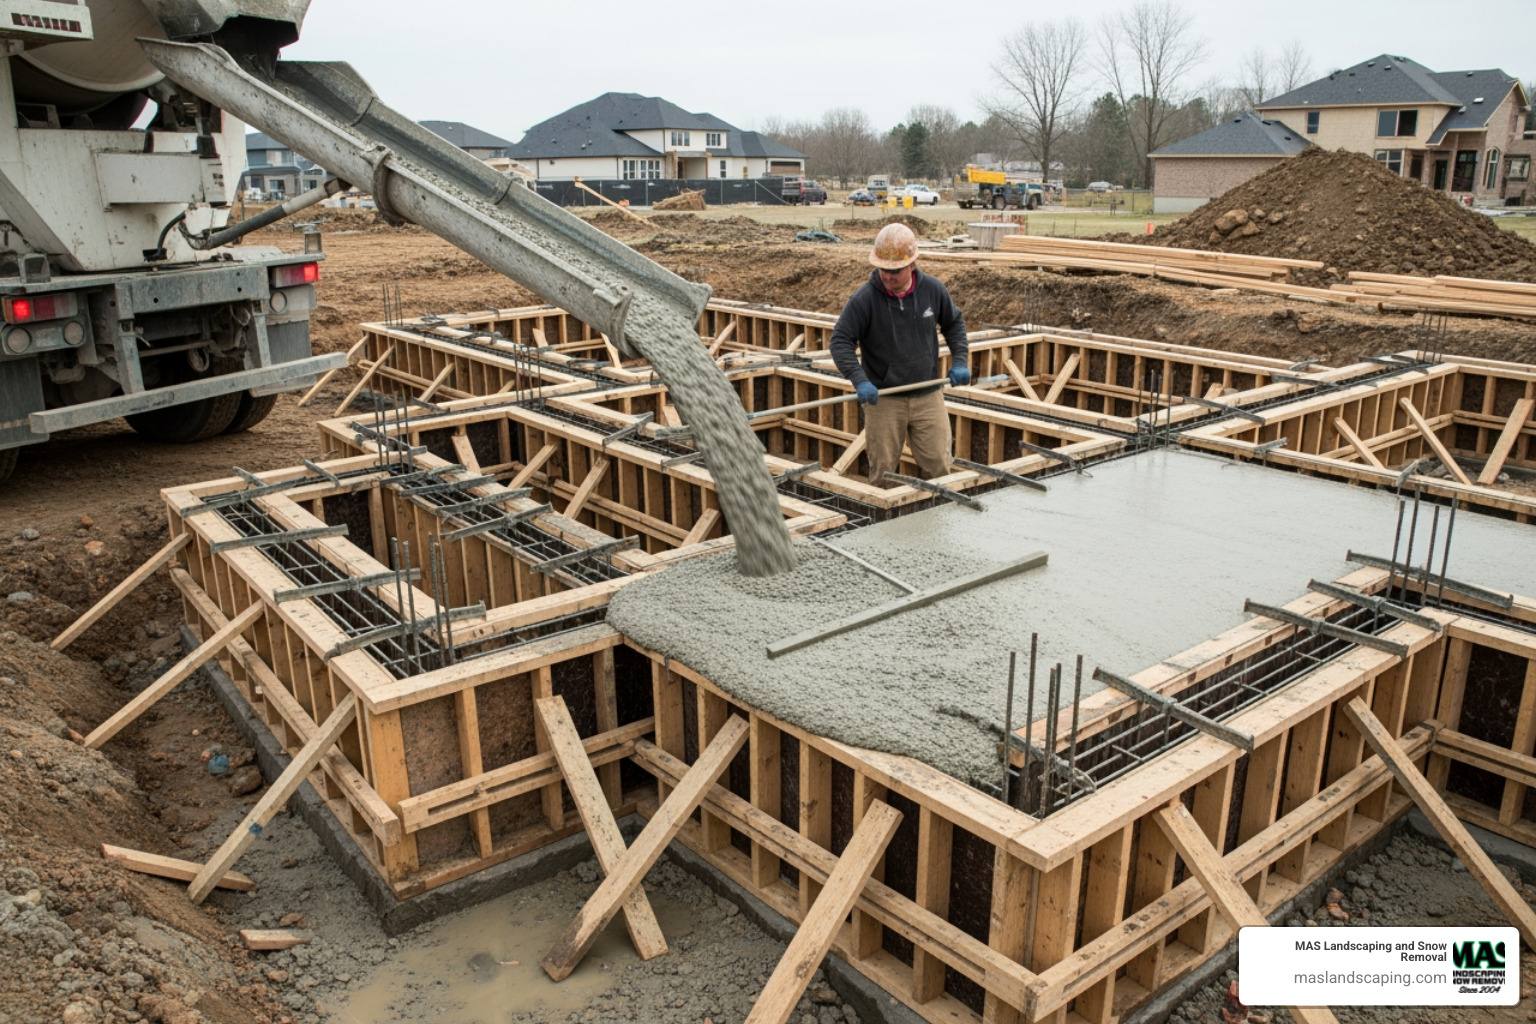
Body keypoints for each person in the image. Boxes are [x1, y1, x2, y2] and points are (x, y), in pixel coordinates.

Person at [829, 222, 968, 485]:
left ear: (912, 265)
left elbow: (954, 323)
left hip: (927, 395)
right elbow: (840, 342)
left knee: (939, 468)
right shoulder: (864, 299)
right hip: (884, 400)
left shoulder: (933, 290)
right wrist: (860, 380)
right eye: (883, 269)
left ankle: (936, 523)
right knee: (883, 475)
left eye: (895, 270)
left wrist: (960, 361)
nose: (888, 276)